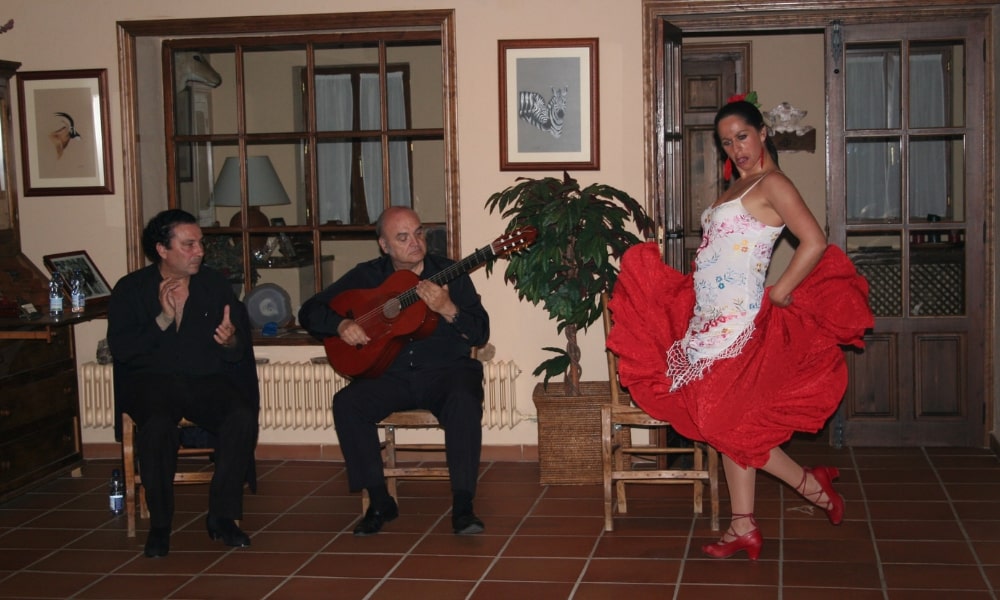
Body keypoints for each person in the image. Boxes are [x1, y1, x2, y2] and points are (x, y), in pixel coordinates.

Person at [606, 94, 874, 560]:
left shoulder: (774, 183)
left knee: (722, 421)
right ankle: (743, 526)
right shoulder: (736, 187)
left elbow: (813, 240)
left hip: (743, 325)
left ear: (763, 133)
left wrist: (781, 291)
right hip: (708, 322)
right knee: (731, 423)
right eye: (727, 142)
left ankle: (812, 486)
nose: (737, 148)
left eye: (743, 137)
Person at [299, 206, 490, 536]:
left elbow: (480, 333)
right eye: (402, 237)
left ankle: (463, 504)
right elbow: (309, 311)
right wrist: (341, 323)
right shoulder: (367, 276)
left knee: (463, 397)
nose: (415, 242)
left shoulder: (450, 273)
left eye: (419, 233)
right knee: (347, 403)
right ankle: (379, 499)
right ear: (384, 246)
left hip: (445, 371)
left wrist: (448, 309)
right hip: (389, 376)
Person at [108, 209, 259, 558]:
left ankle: (222, 516)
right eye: (188, 244)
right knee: (158, 427)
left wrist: (229, 340)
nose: (199, 251)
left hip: (203, 379)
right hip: (151, 383)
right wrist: (163, 318)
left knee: (240, 415)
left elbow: (237, 353)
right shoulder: (131, 289)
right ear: (162, 250)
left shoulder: (214, 285)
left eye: (200, 243)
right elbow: (123, 350)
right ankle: (160, 525)